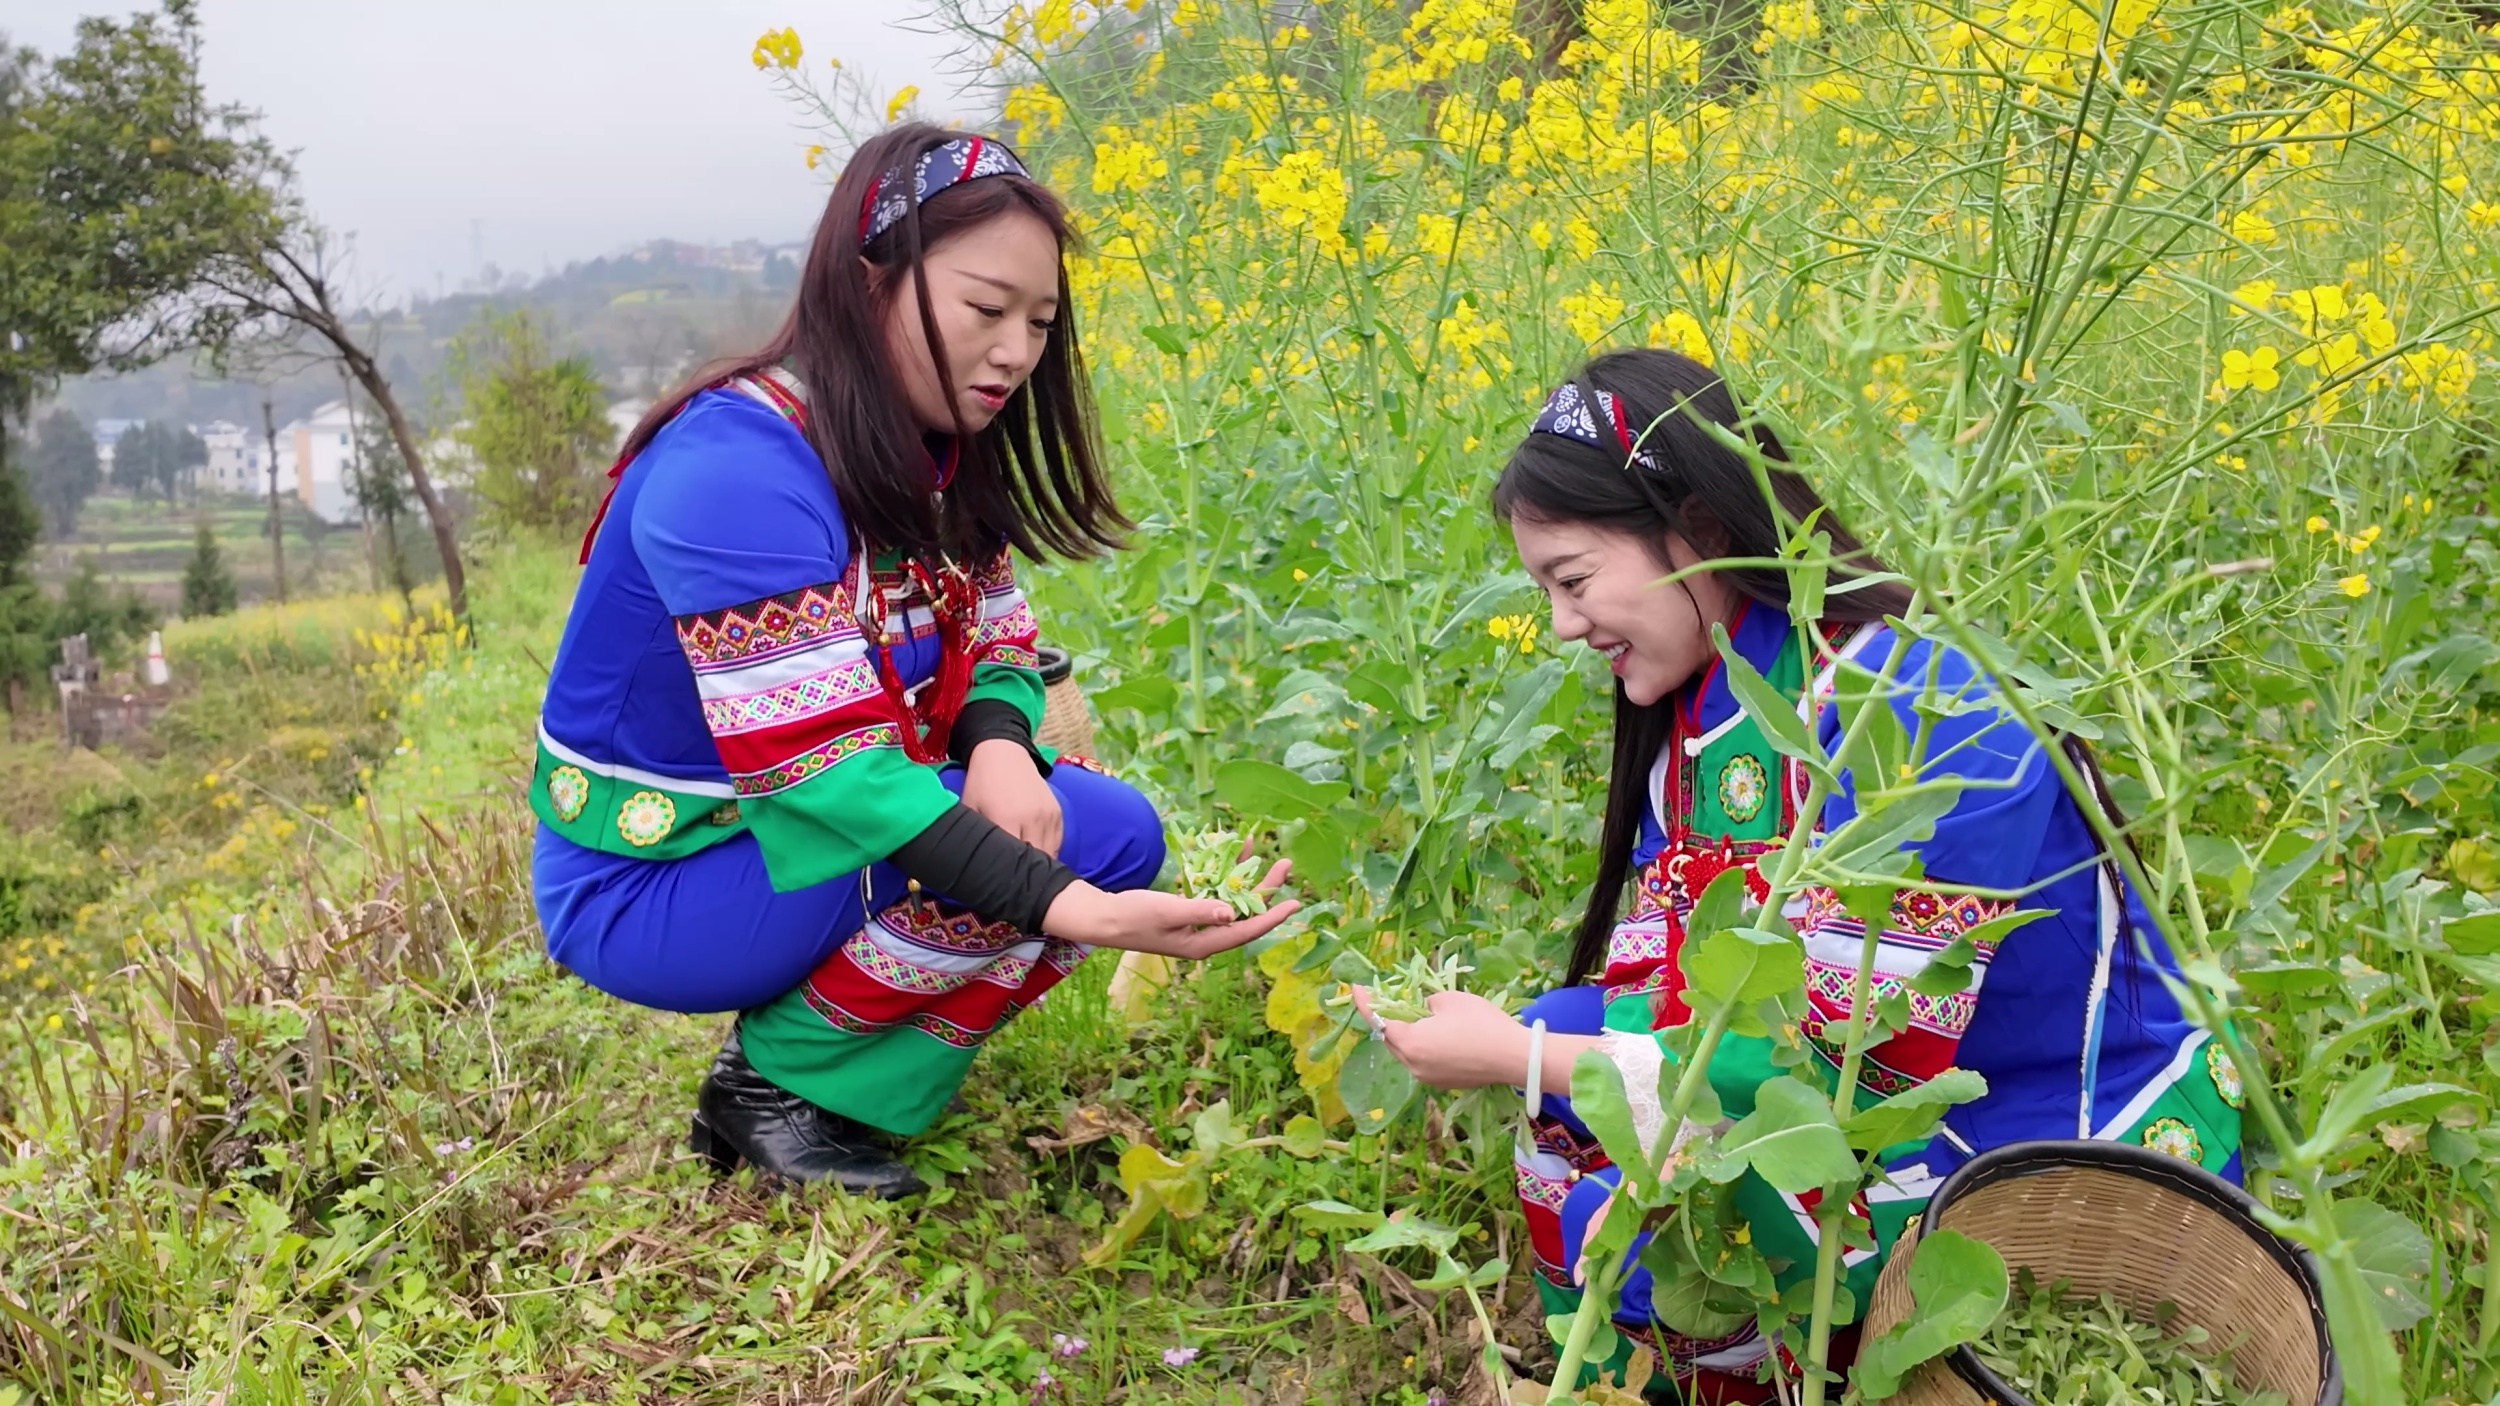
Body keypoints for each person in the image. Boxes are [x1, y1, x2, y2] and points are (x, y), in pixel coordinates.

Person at [1353, 349, 2239, 1400]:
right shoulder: (1704, 710)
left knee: (1651, 1228)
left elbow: (1850, 1071)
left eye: (1574, 580)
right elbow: (1678, 974)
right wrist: (1544, 1048)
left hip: (2021, 1119)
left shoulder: (1917, 712)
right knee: (1568, 1081)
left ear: (1704, 530)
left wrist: (1524, 1052)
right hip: (1832, 1075)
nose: (1559, 624)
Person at [530, 124, 1296, 1198]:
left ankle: (815, 1077)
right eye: (986, 309)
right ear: (866, 281)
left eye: (1039, 323)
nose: (1016, 353)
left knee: (1109, 830)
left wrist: (999, 748)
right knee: (1056, 864)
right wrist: (1067, 905)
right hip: (652, 886)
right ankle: (773, 1090)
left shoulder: (925, 452)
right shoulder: (734, 465)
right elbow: (831, 772)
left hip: (781, 846)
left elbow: (998, 637)